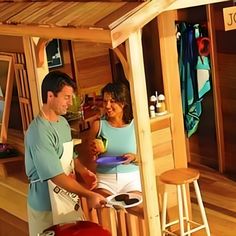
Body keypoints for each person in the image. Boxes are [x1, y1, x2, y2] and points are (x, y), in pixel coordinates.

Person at [25, 71, 106, 236]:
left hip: (67, 200)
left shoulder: (62, 122)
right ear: (50, 96)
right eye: (66, 97)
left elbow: (70, 155)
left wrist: (83, 171)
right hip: (45, 205)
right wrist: (88, 194)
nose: (70, 103)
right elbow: (55, 175)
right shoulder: (39, 131)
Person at [89, 82, 143, 216]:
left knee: (140, 208)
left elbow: (147, 156)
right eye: (105, 101)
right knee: (107, 210)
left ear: (123, 103)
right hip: (105, 180)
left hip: (132, 179)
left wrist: (135, 157)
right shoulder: (98, 126)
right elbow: (87, 159)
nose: (107, 106)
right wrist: (93, 152)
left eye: (112, 101)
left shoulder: (136, 125)